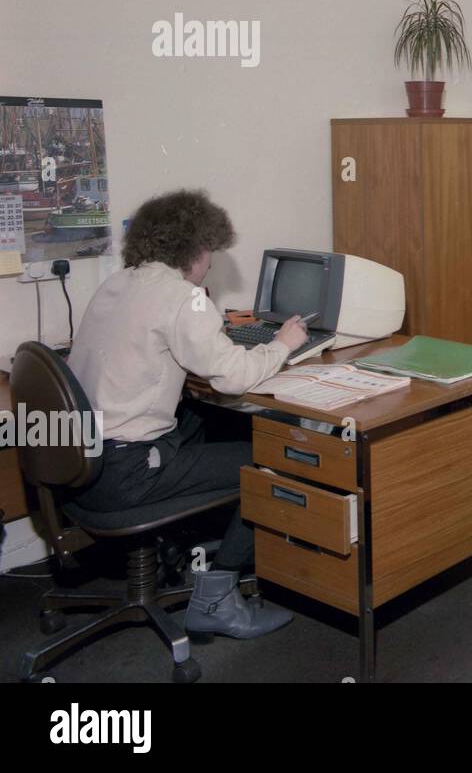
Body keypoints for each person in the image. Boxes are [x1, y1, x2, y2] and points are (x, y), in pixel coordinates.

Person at [67, 189, 306, 639]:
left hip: (83, 467)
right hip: (128, 472)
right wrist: (283, 344)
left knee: (202, 420)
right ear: (193, 249)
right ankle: (217, 599)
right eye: (209, 252)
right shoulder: (180, 297)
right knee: (275, 463)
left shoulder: (117, 283)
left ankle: (182, 550)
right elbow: (234, 377)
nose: (211, 263)